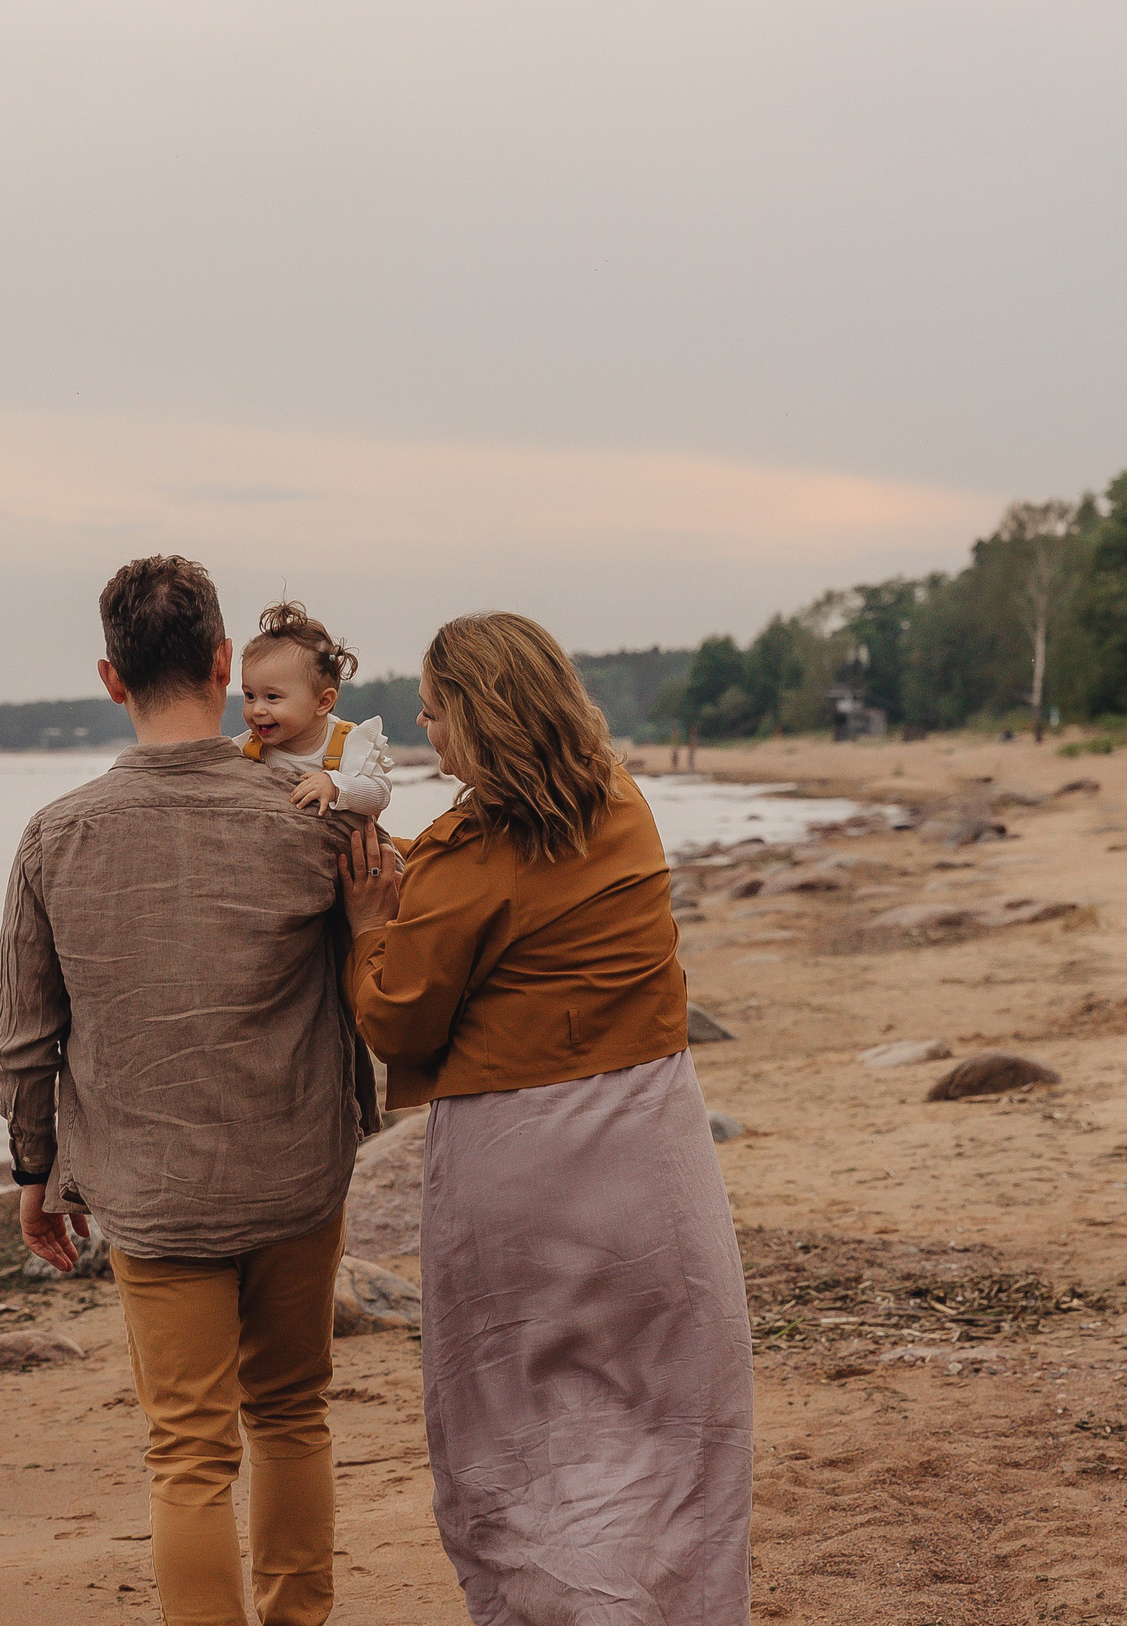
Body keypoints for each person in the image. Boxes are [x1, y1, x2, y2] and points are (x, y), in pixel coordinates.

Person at [339, 611, 754, 1625]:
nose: (425, 732)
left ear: (478, 719)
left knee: (517, 1421)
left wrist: (367, 927)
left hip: (519, 1160)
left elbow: (397, 1018)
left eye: (434, 714)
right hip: (650, 1148)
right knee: (665, 1411)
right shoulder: (621, 804)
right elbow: (512, 894)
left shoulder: (469, 860)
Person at [0, 555, 379, 1626]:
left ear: (110, 678)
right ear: (221, 665)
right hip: (295, 1170)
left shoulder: (56, 834)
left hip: (153, 1190)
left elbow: (25, 1038)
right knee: (291, 1413)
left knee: (188, 1452)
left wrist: (35, 1173)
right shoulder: (315, 813)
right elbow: (378, 975)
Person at [232, 600, 394, 819]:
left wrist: (334, 786)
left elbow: (379, 793)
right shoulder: (245, 750)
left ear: (322, 702)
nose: (257, 710)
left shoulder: (348, 743)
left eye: (272, 697)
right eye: (250, 696)